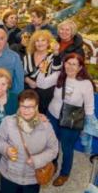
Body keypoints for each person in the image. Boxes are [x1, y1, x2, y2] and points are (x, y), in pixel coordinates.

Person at [36, 53, 95, 186]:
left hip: (71, 120)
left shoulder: (86, 84)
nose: (70, 66)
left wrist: (87, 124)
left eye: (74, 64)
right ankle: (53, 165)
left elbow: (90, 107)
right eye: (68, 63)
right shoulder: (58, 76)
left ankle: (64, 173)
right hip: (53, 116)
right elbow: (41, 84)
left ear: (80, 67)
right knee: (52, 144)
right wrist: (42, 71)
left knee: (67, 148)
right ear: (64, 64)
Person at [0, 89, 58, 193]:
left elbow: (54, 149)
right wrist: (6, 149)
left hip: (32, 178)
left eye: (30, 107)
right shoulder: (8, 122)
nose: (26, 110)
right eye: (23, 106)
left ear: (36, 107)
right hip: (9, 175)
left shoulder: (46, 126)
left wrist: (37, 160)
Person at [23, 30, 61, 114]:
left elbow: (56, 69)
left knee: (41, 118)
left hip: (44, 94)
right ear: (34, 43)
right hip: (28, 91)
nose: (40, 43)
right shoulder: (28, 56)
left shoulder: (53, 57)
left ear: (48, 43)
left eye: (43, 40)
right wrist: (28, 81)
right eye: (37, 41)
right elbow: (22, 73)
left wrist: (56, 53)